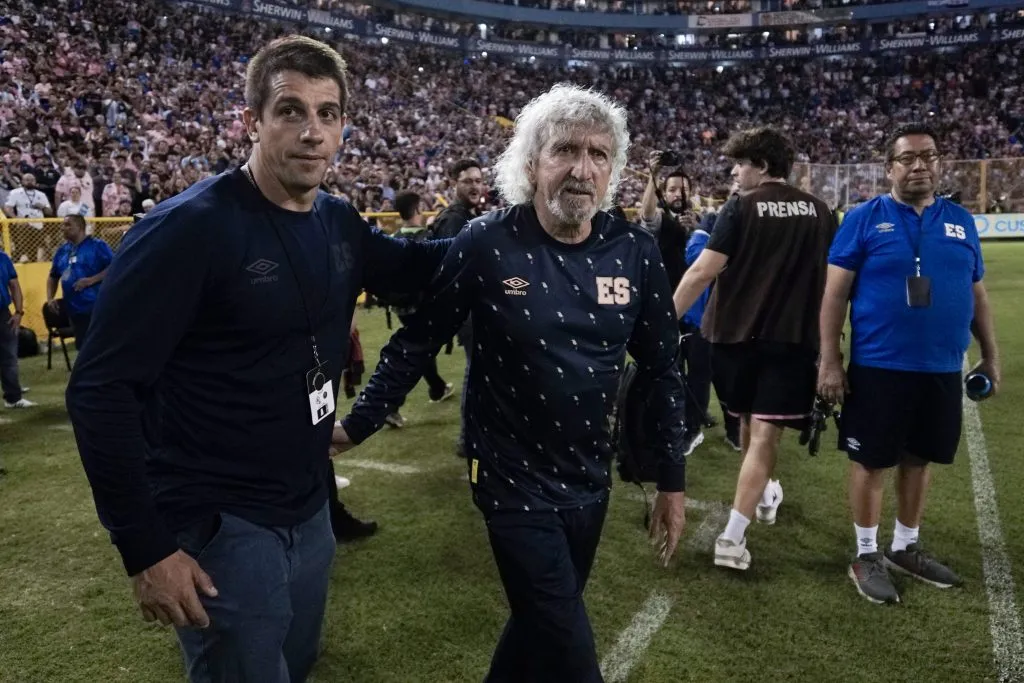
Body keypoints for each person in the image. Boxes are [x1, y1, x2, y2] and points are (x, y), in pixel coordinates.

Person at [65, 35, 447, 683]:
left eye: (328, 114)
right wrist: (146, 547)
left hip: (308, 507)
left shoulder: (337, 220)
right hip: (221, 521)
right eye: (291, 110)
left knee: (294, 666)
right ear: (251, 122)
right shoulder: (187, 230)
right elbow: (100, 390)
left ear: (344, 127)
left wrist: (517, 229)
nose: (311, 131)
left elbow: (419, 269)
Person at [333, 83, 688, 683]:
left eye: (599, 155)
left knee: (539, 622)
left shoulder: (634, 251)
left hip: (588, 477)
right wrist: (355, 426)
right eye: (565, 151)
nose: (582, 169)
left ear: (614, 170)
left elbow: (662, 369)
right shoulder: (488, 242)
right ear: (531, 163)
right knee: (571, 651)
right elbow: (416, 339)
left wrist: (672, 481)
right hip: (508, 478)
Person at [818, 123, 1000, 605]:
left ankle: (905, 546)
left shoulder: (960, 220)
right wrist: (830, 360)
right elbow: (834, 294)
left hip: (942, 367)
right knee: (872, 459)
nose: (919, 165)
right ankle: (866, 553)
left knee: (920, 458)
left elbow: (977, 295)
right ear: (889, 167)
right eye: (907, 158)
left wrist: (991, 356)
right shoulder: (863, 218)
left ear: (940, 163)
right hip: (881, 365)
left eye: (928, 156)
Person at [671, 126, 837, 571]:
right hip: (790, 339)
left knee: (748, 421)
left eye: (740, 163)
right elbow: (835, 288)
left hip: (731, 337)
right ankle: (742, 522)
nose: (734, 171)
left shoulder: (740, 207)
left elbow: (703, 271)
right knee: (762, 432)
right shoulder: (822, 212)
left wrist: (665, 322)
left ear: (761, 166)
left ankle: (740, 525)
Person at [639, 156, 706, 454]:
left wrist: (696, 231)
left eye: (683, 189)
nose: (678, 193)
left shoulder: (701, 224)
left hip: (700, 313)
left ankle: (693, 427)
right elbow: (646, 212)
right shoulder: (660, 222)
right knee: (670, 371)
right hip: (667, 310)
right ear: (664, 193)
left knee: (700, 373)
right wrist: (653, 173)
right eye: (673, 189)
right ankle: (672, 422)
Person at [377, 190, 455, 428]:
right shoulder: (425, 237)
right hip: (422, 305)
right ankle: (390, 406)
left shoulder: (394, 236)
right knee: (417, 355)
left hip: (400, 307)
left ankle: (437, 387)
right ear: (418, 209)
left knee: (422, 351)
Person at [428, 158, 483, 455]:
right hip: (469, 312)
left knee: (479, 371)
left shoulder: (462, 215)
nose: (475, 186)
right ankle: (467, 438)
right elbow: (452, 270)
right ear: (453, 183)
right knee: (476, 372)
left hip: (470, 309)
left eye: (478, 180)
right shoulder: (455, 219)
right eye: (468, 181)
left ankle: (472, 435)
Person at [46, 215, 114, 347]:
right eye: (63, 225)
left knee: (101, 345)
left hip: (97, 306)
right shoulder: (62, 251)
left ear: (80, 227)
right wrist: (50, 298)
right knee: (83, 347)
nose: (63, 228)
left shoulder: (97, 246)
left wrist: (92, 280)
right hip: (74, 309)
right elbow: (53, 276)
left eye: (67, 224)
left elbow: (115, 266)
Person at [0, 247, 33, 409]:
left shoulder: (3, 258)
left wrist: (19, 312)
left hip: (2, 314)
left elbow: (14, 285)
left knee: (9, 356)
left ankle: (13, 397)